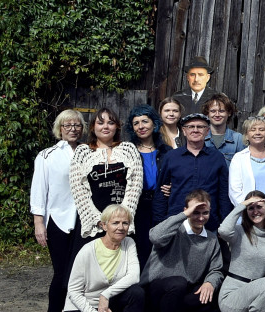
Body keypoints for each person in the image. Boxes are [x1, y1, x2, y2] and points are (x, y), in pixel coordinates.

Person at [64, 205, 151, 312]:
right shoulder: (87, 251)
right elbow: (73, 292)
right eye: (115, 223)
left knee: (136, 292)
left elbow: (134, 276)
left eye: (125, 223)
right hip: (80, 309)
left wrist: (105, 295)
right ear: (104, 225)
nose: (121, 227)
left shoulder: (128, 243)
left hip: (107, 304)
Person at [141, 190, 223, 312]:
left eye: (205, 212)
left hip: (180, 291)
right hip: (155, 290)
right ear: (186, 210)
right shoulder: (175, 229)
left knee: (205, 292)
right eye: (195, 212)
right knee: (178, 281)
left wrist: (209, 282)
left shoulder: (211, 239)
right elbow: (155, 236)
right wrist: (184, 214)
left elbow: (217, 269)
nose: (200, 217)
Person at [31, 109, 85, 312]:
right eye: (67, 125)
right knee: (61, 271)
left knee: (79, 272)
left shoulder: (88, 152)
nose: (72, 129)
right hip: (59, 221)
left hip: (84, 220)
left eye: (77, 125)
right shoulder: (47, 156)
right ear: (59, 128)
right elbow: (39, 191)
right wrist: (38, 222)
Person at [69, 108, 143, 242]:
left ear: (117, 127)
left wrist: (121, 219)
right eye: (100, 123)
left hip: (122, 223)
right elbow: (78, 189)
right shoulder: (82, 152)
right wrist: (99, 220)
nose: (105, 126)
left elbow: (135, 187)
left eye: (110, 123)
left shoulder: (129, 150)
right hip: (94, 222)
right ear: (93, 127)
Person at [153, 113, 231, 231]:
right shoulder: (171, 157)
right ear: (184, 131)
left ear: (207, 131)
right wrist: (160, 223)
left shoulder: (217, 157)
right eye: (191, 127)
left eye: (200, 127)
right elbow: (161, 192)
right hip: (176, 221)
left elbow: (224, 193)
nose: (195, 130)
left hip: (208, 222)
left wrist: (224, 223)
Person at [127, 104, 173, 268]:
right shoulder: (128, 151)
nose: (141, 126)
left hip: (161, 204)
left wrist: (172, 188)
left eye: (145, 121)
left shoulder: (167, 151)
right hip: (138, 205)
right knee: (140, 248)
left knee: (161, 247)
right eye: (136, 123)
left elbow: (176, 177)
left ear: (154, 123)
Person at [202, 94, 244, 165]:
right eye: (213, 111)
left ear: (229, 113)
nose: (217, 115)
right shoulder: (200, 137)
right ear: (207, 114)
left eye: (221, 111)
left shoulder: (238, 139)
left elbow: (243, 166)